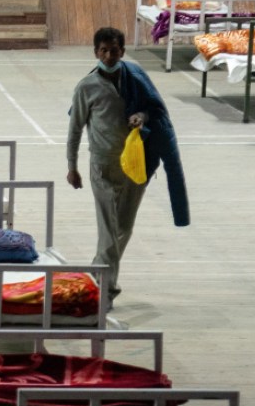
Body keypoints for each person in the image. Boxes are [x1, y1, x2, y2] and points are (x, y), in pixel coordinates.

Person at [66, 26, 189, 304]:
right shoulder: (86, 87)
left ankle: (96, 274)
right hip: (102, 167)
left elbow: (156, 110)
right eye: (103, 50)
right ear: (95, 52)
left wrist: (142, 117)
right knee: (109, 233)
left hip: (136, 165)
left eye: (114, 50)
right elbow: (74, 129)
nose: (109, 55)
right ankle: (106, 292)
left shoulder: (135, 78)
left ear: (122, 51)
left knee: (124, 227)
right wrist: (71, 166)